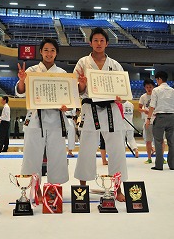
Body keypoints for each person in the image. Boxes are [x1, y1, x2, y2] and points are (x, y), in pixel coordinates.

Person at [73, 27, 128, 202]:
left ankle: (118, 189)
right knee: (86, 148)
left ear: (107, 43)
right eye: (95, 40)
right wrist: (81, 84)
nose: (98, 43)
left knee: (117, 149)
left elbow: (123, 90)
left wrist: (121, 97)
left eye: (101, 40)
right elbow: (77, 90)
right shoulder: (83, 62)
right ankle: (82, 189)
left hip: (112, 109)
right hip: (90, 108)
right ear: (90, 43)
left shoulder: (115, 64)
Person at [15, 38, 69, 200]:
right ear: (40, 52)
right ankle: (35, 188)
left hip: (56, 118)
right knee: (32, 154)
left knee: (57, 155)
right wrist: (22, 80)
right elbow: (20, 92)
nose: (49, 53)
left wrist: (67, 105)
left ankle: (53, 189)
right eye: (46, 50)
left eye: (52, 50)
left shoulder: (63, 74)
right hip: (35, 119)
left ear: (56, 53)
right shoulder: (31, 71)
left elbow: (69, 98)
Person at [146, 71, 174, 171]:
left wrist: (148, 119)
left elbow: (152, 105)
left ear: (159, 79)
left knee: (158, 141)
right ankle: (172, 164)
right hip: (172, 117)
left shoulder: (156, 90)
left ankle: (159, 165)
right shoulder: (172, 90)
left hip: (160, 117)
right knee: (172, 142)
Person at [138, 79, 166, 164]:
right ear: (144, 88)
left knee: (161, 140)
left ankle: (161, 157)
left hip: (158, 121)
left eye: (150, 87)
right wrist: (144, 111)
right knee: (148, 141)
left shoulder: (158, 95)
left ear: (154, 87)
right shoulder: (143, 97)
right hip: (148, 121)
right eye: (147, 87)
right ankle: (149, 158)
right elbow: (139, 108)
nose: (149, 89)